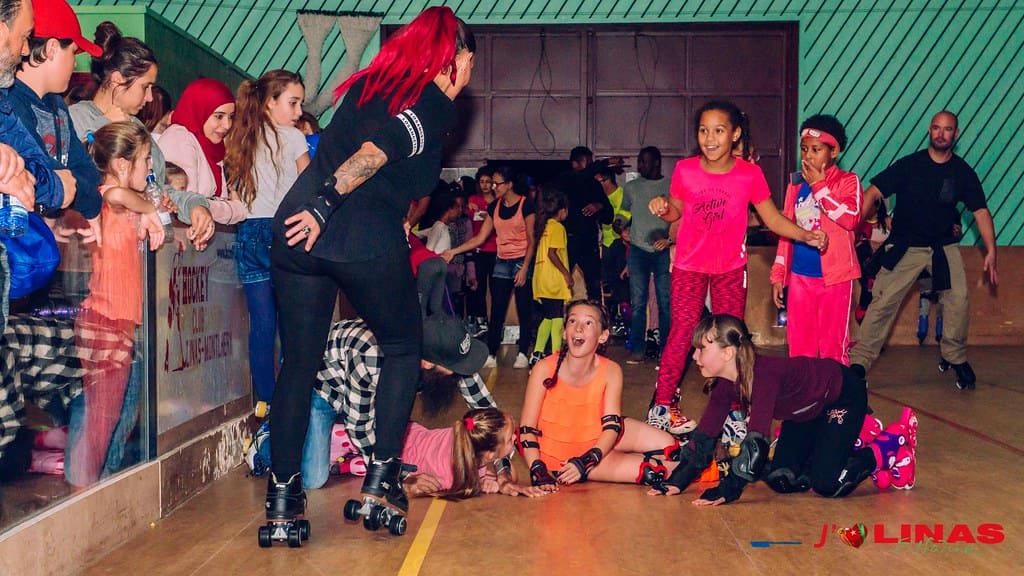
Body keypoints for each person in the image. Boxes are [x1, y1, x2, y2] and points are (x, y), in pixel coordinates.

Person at [266, 6, 476, 532]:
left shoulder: (371, 85)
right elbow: (377, 150)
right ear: (456, 58)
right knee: (403, 346)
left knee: (299, 364)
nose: (469, 74)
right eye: (470, 62)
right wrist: (326, 206)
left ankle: (283, 498)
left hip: (296, 232)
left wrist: (316, 208)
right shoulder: (431, 101)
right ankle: (382, 477)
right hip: (350, 231)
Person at [646, 100, 827, 434]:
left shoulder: (749, 174)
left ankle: (734, 411)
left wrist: (804, 235)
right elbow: (675, 212)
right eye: (703, 130)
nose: (709, 138)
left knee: (732, 339)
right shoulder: (685, 170)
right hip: (689, 266)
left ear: (735, 134)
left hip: (730, 269)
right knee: (683, 332)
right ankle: (662, 406)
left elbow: (771, 218)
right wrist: (662, 208)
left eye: (718, 131)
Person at [648, 314, 917, 504]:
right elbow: (704, 439)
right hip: (806, 412)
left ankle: (887, 445)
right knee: (782, 479)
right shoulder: (724, 385)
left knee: (828, 483)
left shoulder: (763, 376)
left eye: (701, 349)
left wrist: (727, 490)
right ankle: (845, 440)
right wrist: (677, 481)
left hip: (842, 397)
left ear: (728, 353)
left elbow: (755, 447)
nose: (695, 357)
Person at [849, 111, 998, 390]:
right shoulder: (910, 165)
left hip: (943, 246)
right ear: (929, 131)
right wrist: (853, 230)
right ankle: (859, 362)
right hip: (906, 245)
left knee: (958, 299)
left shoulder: (962, 172)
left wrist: (991, 251)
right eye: (936, 128)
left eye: (947, 129)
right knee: (883, 301)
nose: (941, 134)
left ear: (956, 134)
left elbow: (980, 211)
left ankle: (955, 357)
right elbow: (873, 192)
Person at [67, 121, 165, 486]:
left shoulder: (128, 206)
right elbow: (117, 194)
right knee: (101, 417)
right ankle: (82, 490)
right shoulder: (106, 196)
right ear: (122, 165)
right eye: (146, 160)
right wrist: (150, 208)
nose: (150, 168)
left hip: (118, 322)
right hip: (103, 320)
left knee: (109, 415)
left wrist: (153, 213)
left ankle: (91, 484)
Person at [68, 22, 214, 250]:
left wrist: (195, 206)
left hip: (134, 252)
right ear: (117, 80)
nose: (149, 98)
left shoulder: (137, 128)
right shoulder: (74, 120)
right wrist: (106, 126)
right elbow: (75, 183)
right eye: (145, 87)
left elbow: (157, 189)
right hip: (87, 249)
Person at [518, 299, 684, 488]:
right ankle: (700, 470)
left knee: (669, 446)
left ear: (603, 336)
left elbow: (612, 427)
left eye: (588, 322)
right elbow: (526, 429)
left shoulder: (611, 370)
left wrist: (590, 458)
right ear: (564, 332)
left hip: (598, 440)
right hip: (562, 457)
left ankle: (685, 458)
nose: (578, 328)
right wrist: (537, 469)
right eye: (572, 321)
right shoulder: (543, 368)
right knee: (653, 472)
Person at [222, 70, 309, 411]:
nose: (298, 112)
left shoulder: (241, 136)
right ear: (270, 102)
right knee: (291, 323)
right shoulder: (293, 138)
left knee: (261, 325)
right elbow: (307, 186)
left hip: (249, 232)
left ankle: (266, 401)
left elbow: (234, 190)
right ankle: (291, 400)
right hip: (283, 231)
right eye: (293, 103)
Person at [6, 0, 101, 245]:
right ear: (51, 48)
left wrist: (68, 191)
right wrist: (79, 195)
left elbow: (88, 172)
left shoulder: (57, 105)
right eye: (73, 53)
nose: (75, 64)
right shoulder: (10, 101)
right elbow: (40, 171)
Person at [770, 115, 862, 365]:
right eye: (804, 149)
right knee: (800, 348)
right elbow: (786, 230)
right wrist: (779, 273)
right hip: (800, 278)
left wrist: (820, 187)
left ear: (834, 151)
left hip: (835, 279)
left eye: (816, 150)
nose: (808, 156)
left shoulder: (847, 181)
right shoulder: (795, 185)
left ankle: (837, 390)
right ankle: (805, 390)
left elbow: (850, 219)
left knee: (833, 348)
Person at [444, 166, 535, 369]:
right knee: (497, 308)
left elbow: (532, 239)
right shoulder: (494, 207)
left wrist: (524, 268)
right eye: (492, 183)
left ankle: (523, 352)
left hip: (521, 259)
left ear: (509, 184)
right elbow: (480, 238)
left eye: (497, 183)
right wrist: (454, 251)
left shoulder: (526, 205)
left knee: (523, 307)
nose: (493, 187)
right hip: (501, 260)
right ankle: (492, 353)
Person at [158, 77, 246, 225]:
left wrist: (217, 205)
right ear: (199, 110)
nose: (227, 125)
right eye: (219, 116)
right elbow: (190, 205)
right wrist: (236, 209)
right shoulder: (180, 138)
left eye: (231, 117)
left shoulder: (210, 146)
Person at [621, 146, 672, 365]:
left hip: (662, 250)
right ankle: (637, 350)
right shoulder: (632, 187)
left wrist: (669, 240)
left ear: (657, 163)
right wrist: (620, 224)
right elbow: (624, 212)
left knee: (665, 302)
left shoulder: (670, 186)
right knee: (638, 302)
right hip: (638, 250)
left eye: (644, 161)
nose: (640, 166)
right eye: (639, 161)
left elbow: (680, 218)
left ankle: (667, 351)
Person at [552, 146, 613, 300]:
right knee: (559, 283)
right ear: (575, 163)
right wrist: (605, 163)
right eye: (589, 162)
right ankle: (553, 314)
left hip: (588, 241)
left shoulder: (594, 185)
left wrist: (599, 206)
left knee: (594, 285)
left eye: (592, 163)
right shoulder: (564, 180)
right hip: (567, 240)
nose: (591, 167)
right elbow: (580, 177)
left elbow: (609, 216)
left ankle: (596, 313)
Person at [530, 186, 572, 366]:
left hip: (541, 279)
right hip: (553, 280)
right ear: (562, 211)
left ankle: (537, 352)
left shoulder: (543, 226)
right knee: (557, 319)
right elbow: (552, 254)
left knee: (548, 317)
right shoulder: (557, 228)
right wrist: (567, 274)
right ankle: (557, 355)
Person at [464, 165, 496, 336]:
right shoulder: (473, 200)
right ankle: (481, 321)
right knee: (479, 286)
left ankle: (495, 322)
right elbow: (466, 222)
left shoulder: (498, 201)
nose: (485, 185)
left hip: (496, 249)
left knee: (496, 289)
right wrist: (468, 208)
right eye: (482, 181)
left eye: (488, 182)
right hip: (478, 249)